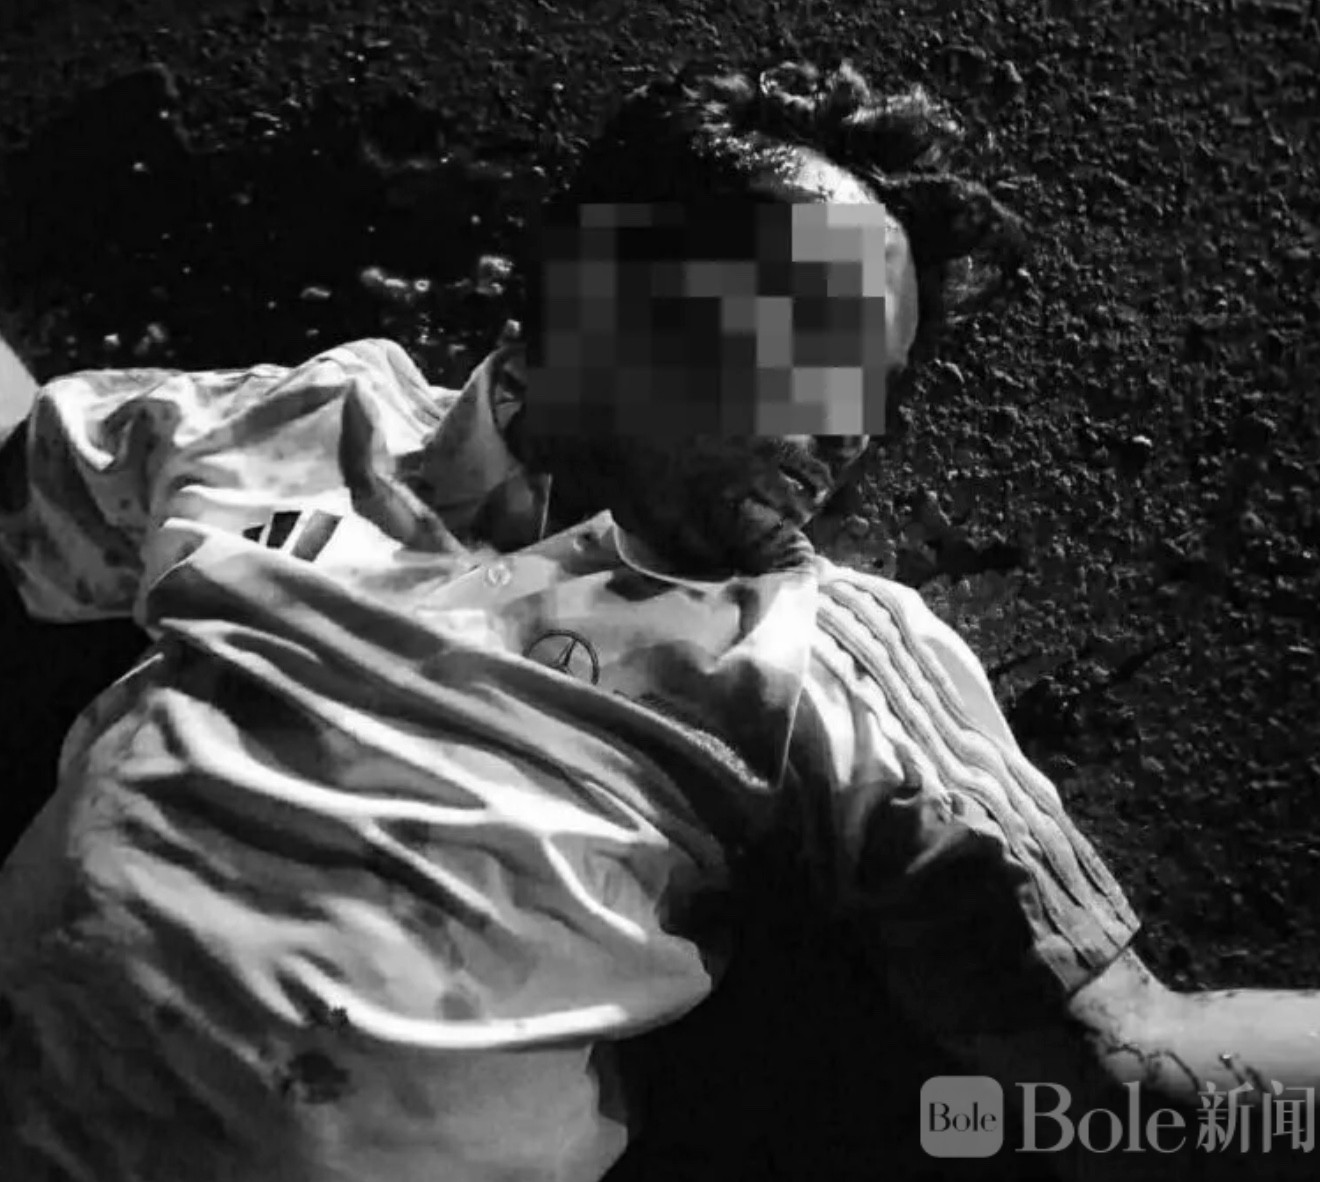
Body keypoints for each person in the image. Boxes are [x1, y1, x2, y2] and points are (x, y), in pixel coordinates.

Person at [0, 57, 1314, 1182]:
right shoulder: (320, 421)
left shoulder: (827, 655)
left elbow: (1126, 1054)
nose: (851, 422)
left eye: (880, 379)